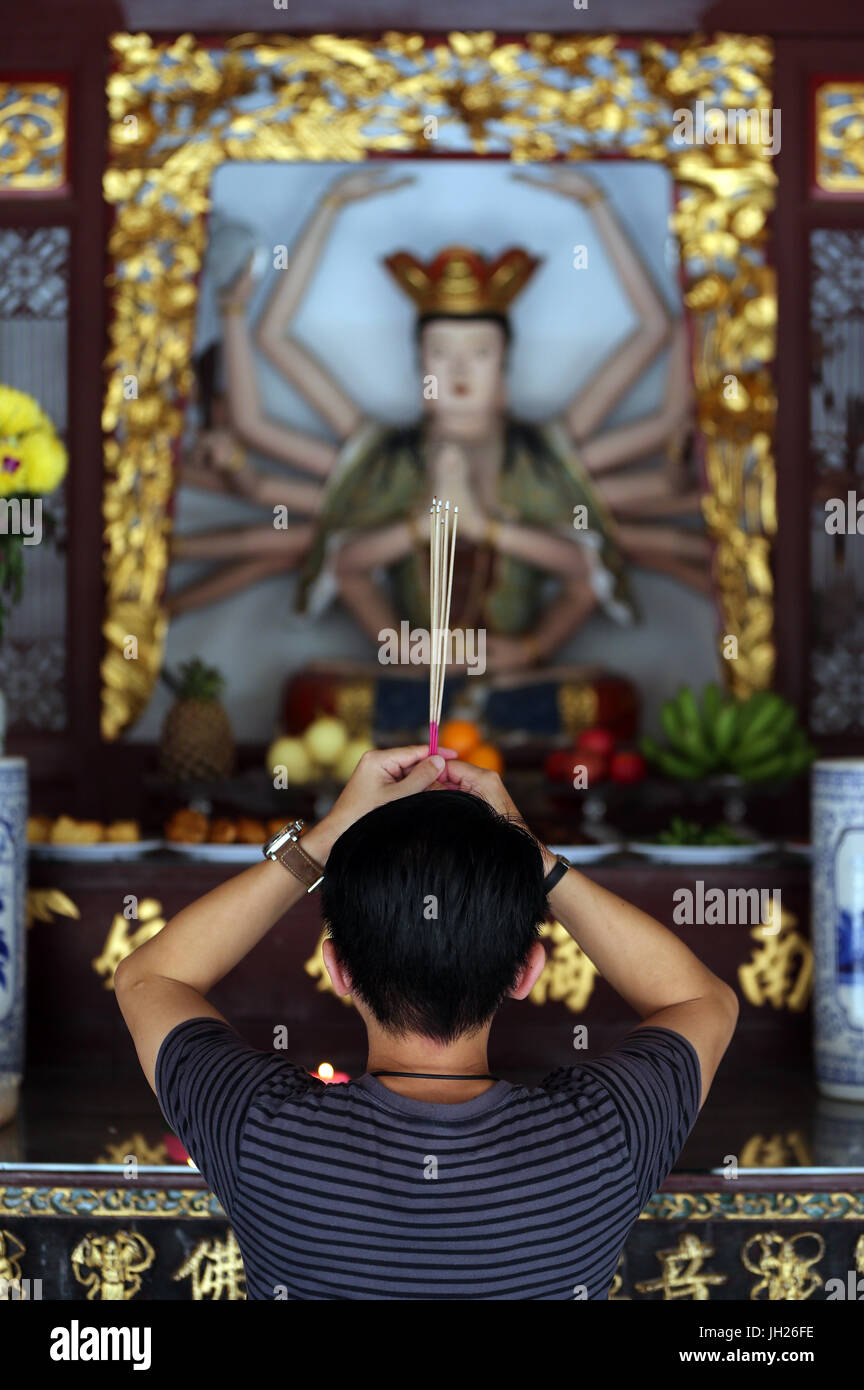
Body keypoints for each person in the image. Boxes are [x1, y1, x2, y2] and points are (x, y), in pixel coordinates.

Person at [115, 746, 737, 1300]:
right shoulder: (604, 1141)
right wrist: (532, 854)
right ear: (528, 972)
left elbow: (148, 980)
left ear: (338, 969)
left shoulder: (264, 1137)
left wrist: (324, 839)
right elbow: (704, 1003)